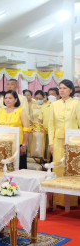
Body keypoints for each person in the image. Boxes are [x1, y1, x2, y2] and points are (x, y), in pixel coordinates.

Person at [48, 79, 80, 207]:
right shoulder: (54, 104)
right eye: (60, 88)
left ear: (71, 90)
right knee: (58, 168)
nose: (61, 90)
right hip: (58, 140)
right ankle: (58, 201)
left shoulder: (76, 104)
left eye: (65, 88)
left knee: (71, 169)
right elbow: (51, 125)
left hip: (73, 141)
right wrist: (51, 143)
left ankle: (72, 202)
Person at [0, 90, 31, 169]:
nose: (7, 100)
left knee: (19, 166)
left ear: (16, 100)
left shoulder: (21, 110)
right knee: (5, 166)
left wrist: (24, 145)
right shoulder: (1, 111)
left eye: (10, 98)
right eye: (5, 98)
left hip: (18, 143)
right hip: (3, 143)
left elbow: (26, 129)